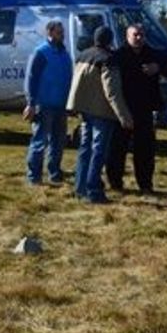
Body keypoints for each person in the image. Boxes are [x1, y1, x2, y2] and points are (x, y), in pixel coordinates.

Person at [67, 26, 133, 203]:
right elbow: (112, 92)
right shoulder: (108, 59)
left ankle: (80, 188)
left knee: (85, 149)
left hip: (84, 109)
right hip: (101, 112)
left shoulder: (83, 55)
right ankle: (93, 190)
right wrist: (124, 117)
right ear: (110, 40)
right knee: (99, 152)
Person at [107, 23, 166, 195]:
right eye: (135, 35)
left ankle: (145, 183)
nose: (139, 38)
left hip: (145, 109)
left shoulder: (151, 54)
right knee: (117, 148)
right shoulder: (119, 55)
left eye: (141, 35)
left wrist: (158, 68)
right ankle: (115, 182)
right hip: (123, 109)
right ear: (127, 36)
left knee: (145, 150)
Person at [23, 20, 74, 185]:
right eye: (59, 32)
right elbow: (31, 78)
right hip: (43, 105)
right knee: (40, 142)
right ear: (50, 33)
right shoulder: (41, 53)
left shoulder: (65, 54)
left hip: (60, 105)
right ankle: (34, 176)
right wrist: (31, 103)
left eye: (63, 32)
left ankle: (55, 172)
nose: (62, 35)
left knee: (58, 142)